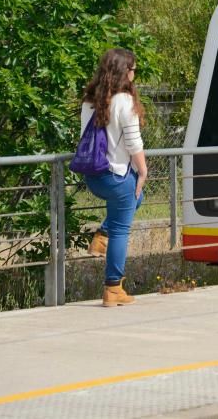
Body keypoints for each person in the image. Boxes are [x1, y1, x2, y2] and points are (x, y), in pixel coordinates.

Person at [80, 48, 148, 306]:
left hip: (94, 176)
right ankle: (112, 289)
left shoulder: (89, 101)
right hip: (117, 176)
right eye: (133, 70)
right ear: (124, 72)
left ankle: (102, 236)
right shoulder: (124, 101)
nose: (134, 75)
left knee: (134, 201)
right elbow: (133, 142)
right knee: (122, 229)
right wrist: (143, 171)